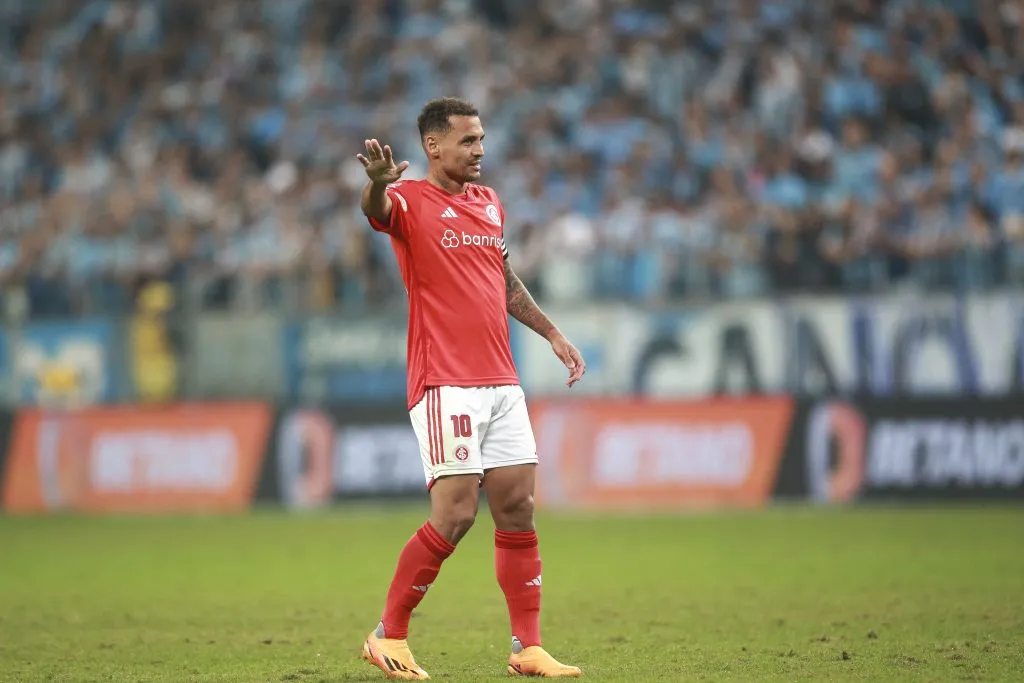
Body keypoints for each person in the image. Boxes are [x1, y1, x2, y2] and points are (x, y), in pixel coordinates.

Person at [356, 97, 586, 680]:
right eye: (467, 141)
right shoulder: (408, 201)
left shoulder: (488, 204)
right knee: (455, 513)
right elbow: (376, 208)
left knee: (518, 508)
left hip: (501, 381)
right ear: (434, 146)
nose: (480, 150)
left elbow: (504, 281)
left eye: (481, 139)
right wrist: (378, 186)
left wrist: (552, 332)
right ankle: (389, 635)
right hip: (445, 383)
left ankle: (527, 647)